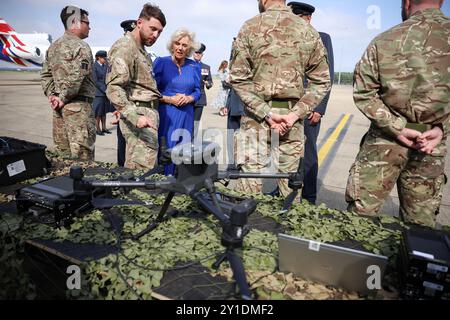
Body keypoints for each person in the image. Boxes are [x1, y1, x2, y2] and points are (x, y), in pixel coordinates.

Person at [345, 0, 449, 228]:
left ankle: (358, 263)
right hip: (429, 147)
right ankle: (412, 262)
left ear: (407, 3)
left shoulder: (385, 40)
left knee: (359, 221)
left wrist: (396, 126)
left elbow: (363, 92)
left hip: (384, 143)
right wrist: (441, 129)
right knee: (420, 227)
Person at [230, 0, 331, 198]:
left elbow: (238, 78)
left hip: (255, 119)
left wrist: (266, 113)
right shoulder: (307, 30)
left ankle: (245, 227)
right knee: (290, 192)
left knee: (247, 194)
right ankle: (287, 226)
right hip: (290, 122)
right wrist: (295, 115)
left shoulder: (250, 27)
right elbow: (322, 81)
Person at [106, 4, 166, 170]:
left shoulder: (141, 50)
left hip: (146, 115)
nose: (155, 35)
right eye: (153, 29)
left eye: (159, 32)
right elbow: (114, 88)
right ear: (139, 22)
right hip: (139, 117)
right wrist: (134, 117)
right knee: (140, 174)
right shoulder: (126, 47)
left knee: (143, 171)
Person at [288, 1, 335, 204]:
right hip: (290, 107)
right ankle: (287, 191)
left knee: (308, 152)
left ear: (307, 18)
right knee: (287, 149)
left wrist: (319, 108)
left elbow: (327, 76)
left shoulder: (322, 38)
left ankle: (308, 196)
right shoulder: (290, 39)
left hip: (310, 107)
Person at [41, 5, 96, 161]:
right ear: (75, 22)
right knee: (82, 159)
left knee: (62, 157)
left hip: (58, 109)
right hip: (78, 110)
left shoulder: (53, 47)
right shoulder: (81, 46)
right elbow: (78, 75)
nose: (89, 27)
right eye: (86, 22)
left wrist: (53, 96)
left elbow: (45, 74)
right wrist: (62, 98)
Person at [153, 28, 201, 176]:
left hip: (187, 114)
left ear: (189, 48)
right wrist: (170, 99)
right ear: (172, 45)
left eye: (184, 45)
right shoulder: (161, 62)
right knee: (167, 150)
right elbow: (151, 92)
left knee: (184, 150)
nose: (180, 48)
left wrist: (189, 98)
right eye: (177, 43)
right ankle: (164, 183)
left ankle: (179, 185)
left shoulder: (194, 66)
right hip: (168, 114)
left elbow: (198, 91)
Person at [111, 19, 137, 167]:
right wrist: (118, 108)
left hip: (135, 107)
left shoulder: (138, 51)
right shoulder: (122, 49)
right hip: (125, 106)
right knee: (123, 143)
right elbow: (115, 84)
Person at [193, 43, 213, 138]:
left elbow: (210, 82)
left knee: (196, 122)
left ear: (202, 55)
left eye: (199, 53)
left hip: (200, 98)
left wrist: (208, 84)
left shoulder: (206, 67)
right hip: (188, 97)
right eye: (196, 53)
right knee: (186, 120)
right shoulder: (187, 64)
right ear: (193, 53)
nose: (197, 55)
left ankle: (193, 141)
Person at [93, 50, 112, 136]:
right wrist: (105, 89)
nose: (105, 59)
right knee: (98, 112)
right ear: (99, 58)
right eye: (104, 58)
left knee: (104, 111)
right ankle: (97, 128)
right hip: (98, 92)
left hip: (106, 92)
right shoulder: (94, 66)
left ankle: (104, 128)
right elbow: (96, 81)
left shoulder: (106, 65)